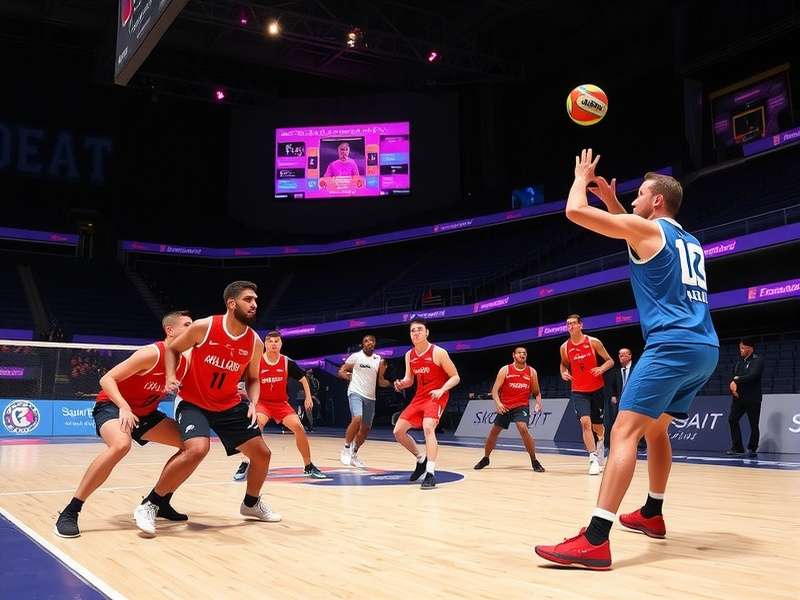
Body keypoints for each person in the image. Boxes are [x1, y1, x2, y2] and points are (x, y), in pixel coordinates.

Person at [535, 150, 719, 570]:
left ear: (656, 202)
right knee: (656, 432)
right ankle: (652, 513)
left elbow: (574, 211)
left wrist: (581, 178)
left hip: (670, 346)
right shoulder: (689, 240)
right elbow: (636, 234)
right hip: (704, 348)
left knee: (622, 433)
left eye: (639, 195)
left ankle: (596, 540)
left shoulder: (647, 230)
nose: (633, 200)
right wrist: (616, 205)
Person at [134, 281, 281, 537]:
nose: (254, 304)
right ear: (231, 303)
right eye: (248, 299)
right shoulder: (205, 326)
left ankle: (251, 504)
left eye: (256, 300)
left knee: (262, 455)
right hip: (193, 402)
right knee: (197, 449)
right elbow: (172, 348)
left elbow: (254, 378)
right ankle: (150, 504)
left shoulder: (254, 342)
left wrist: (254, 402)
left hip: (228, 405)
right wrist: (170, 376)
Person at [54, 311, 193, 538]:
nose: (192, 329)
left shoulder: (185, 363)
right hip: (112, 407)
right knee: (121, 445)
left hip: (146, 414)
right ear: (170, 330)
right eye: (187, 325)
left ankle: (160, 501)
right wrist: (124, 407)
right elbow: (106, 379)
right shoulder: (151, 354)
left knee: (192, 446)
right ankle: (71, 511)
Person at [232, 331, 326, 480]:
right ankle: (245, 462)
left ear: (281, 344)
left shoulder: (286, 361)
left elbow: (302, 379)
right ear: (265, 345)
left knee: (299, 428)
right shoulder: (257, 361)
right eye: (270, 341)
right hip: (262, 403)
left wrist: (308, 397)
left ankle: (308, 466)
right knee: (256, 426)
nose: (274, 344)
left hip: (281, 404)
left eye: (277, 341)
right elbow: (247, 381)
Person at [392, 318, 460, 490]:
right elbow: (409, 379)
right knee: (398, 431)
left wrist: (442, 390)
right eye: (412, 330)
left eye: (419, 329)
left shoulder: (439, 352)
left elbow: (455, 377)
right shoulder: (409, 355)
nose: (416, 333)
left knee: (428, 427)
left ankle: (430, 473)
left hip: (437, 396)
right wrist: (401, 383)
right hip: (419, 397)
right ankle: (421, 460)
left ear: (427, 332)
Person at [473, 346, 545, 472]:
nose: (522, 355)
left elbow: (537, 392)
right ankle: (486, 458)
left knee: (522, 428)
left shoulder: (531, 372)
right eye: (519, 353)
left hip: (521, 406)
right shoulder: (505, 370)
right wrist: (498, 403)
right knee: (494, 432)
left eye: (524, 353)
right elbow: (494, 390)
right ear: (513, 355)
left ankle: (534, 460)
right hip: (505, 406)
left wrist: (538, 403)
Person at [560, 314, 614, 475]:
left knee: (598, 427)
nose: (570, 326)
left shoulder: (593, 342)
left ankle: (601, 442)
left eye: (573, 323)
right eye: (568, 324)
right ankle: (593, 459)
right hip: (578, 391)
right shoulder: (564, 347)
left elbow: (610, 360)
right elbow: (564, 364)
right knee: (585, 422)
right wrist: (563, 372)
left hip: (597, 389)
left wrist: (601, 369)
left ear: (581, 325)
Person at [337, 334, 390, 468]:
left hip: (370, 397)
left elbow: (381, 381)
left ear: (375, 344)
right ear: (362, 344)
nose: (369, 343)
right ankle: (346, 448)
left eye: (372, 341)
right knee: (357, 418)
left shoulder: (379, 360)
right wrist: (347, 376)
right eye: (366, 341)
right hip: (355, 392)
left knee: (365, 429)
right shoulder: (356, 356)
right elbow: (342, 371)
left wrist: (393, 384)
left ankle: (354, 454)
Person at [727, 338, 764, 458]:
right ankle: (738, 448)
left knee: (753, 424)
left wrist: (736, 380)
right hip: (739, 398)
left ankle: (752, 448)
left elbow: (752, 376)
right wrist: (733, 387)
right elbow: (733, 377)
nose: (741, 350)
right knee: (732, 419)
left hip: (753, 398)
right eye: (740, 348)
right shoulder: (739, 362)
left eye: (743, 348)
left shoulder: (757, 360)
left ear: (750, 348)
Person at [605, 348, 636, 451]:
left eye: (624, 354)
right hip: (620, 400)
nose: (621, 356)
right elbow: (613, 385)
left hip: (634, 400)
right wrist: (613, 395)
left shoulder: (636, 369)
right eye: (620, 355)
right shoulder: (616, 371)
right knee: (616, 422)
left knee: (634, 423)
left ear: (630, 356)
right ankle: (615, 443)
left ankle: (638, 444)